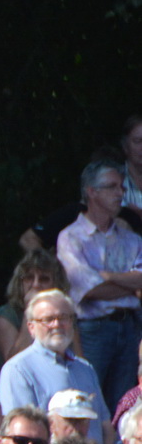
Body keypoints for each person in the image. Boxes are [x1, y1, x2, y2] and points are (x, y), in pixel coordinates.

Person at [58, 160, 142, 410]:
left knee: (127, 405)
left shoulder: (131, 239)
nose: (120, 193)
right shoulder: (71, 238)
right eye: (112, 187)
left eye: (122, 188)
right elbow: (88, 289)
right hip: (92, 330)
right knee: (88, 400)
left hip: (130, 327)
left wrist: (106, 275)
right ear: (91, 192)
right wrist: (130, 285)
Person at [0, 289, 113, 444]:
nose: (57, 324)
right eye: (48, 319)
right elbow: (21, 433)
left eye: (63, 317)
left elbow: (105, 425)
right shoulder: (18, 369)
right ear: (31, 327)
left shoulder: (85, 368)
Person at [0, 250, 70, 365]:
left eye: (44, 279)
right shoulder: (5, 316)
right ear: (20, 282)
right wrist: (31, 310)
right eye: (29, 278)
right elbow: (15, 362)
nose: (36, 284)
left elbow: (76, 357)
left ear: (55, 284)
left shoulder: (65, 314)